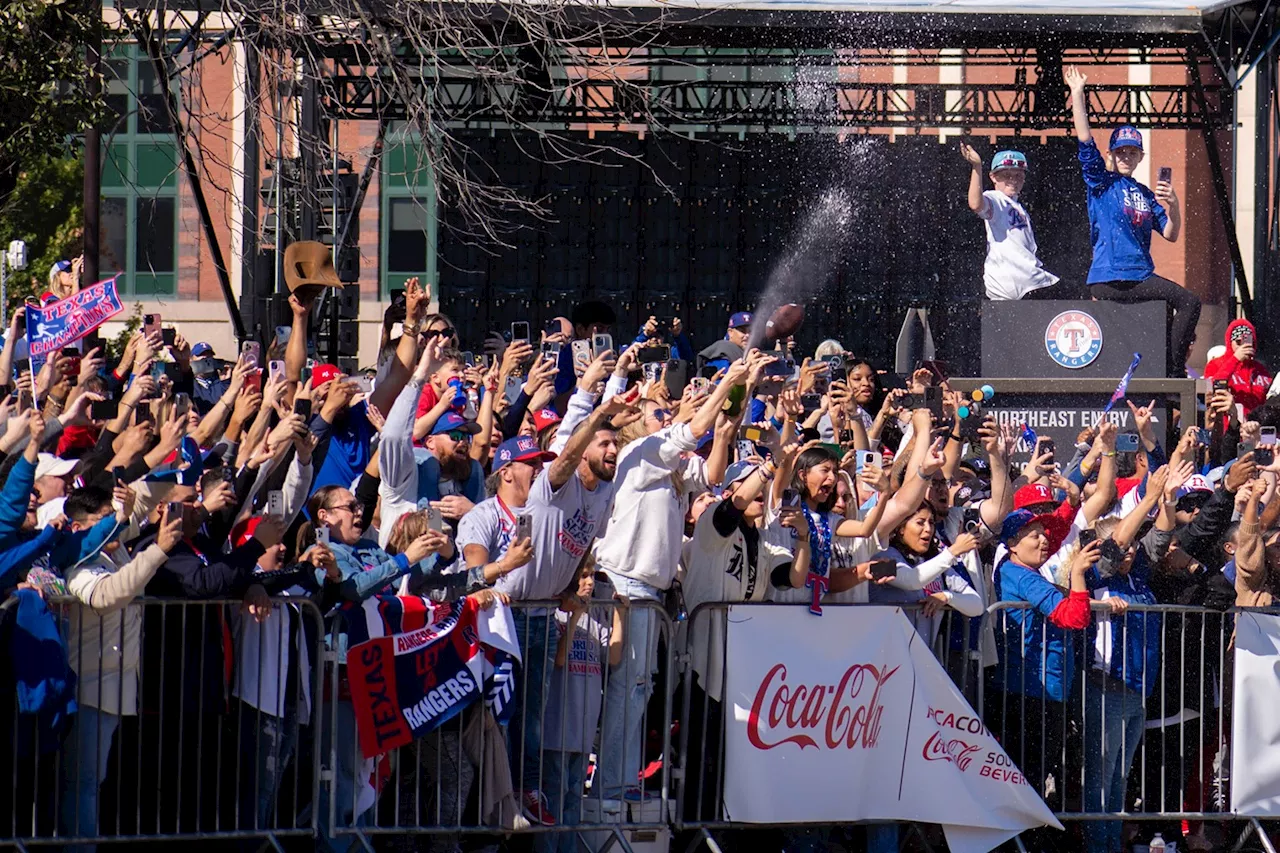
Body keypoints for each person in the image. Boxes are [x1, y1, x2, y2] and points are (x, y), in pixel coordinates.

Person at [1065, 65, 1200, 377]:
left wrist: (1174, 204)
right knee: (1188, 301)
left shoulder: (1145, 193)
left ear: (1140, 157)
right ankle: (1173, 372)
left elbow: (1170, 233)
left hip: (1139, 277)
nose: (1126, 156)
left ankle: (1166, 372)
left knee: (1184, 304)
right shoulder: (1101, 182)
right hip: (1112, 277)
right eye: (1121, 151)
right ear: (1112, 155)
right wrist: (1077, 94)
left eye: (1132, 152)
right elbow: (1085, 140)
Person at [537, 556, 626, 851]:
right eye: (583, 576)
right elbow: (560, 659)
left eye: (592, 576)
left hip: (583, 727)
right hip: (556, 727)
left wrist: (618, 615)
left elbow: (612, 657)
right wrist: (574, 617)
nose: (589, 582)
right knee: (554, 799)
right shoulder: (555, 615)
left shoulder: (593, 616)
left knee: (573, 800)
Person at [960, 143, 1062, 301]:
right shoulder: (996, 198)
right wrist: (976, 167)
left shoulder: (1017, 206)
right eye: (1006, 175)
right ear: (993, 177)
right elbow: (975, 203)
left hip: (1023, 279)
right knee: (1071, 294)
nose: (1012, 180)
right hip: (1014, 279)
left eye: (1018, 175)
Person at [1204, 319, 1272, 418]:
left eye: (1248, 341)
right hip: (1229, 427)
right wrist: (1235, 359)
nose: (1243, 346)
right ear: (1230, 342)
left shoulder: (1261, 370)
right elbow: (1213, 387)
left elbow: (1269, 402)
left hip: (1255, 428)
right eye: (1238, 342)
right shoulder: (1215, 364)